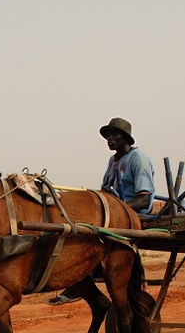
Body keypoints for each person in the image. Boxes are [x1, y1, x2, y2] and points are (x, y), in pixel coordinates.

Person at [47, 117, 156, 305]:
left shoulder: (139, 159)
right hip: (114, 213)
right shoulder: (113, 161)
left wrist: (117, 210)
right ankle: (79, 278)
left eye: (114, 134)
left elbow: (144, 198)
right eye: (107, 135)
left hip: (133, 215)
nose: (109, 138)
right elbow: (106, 192)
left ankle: (78, 282)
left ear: (126, 138)